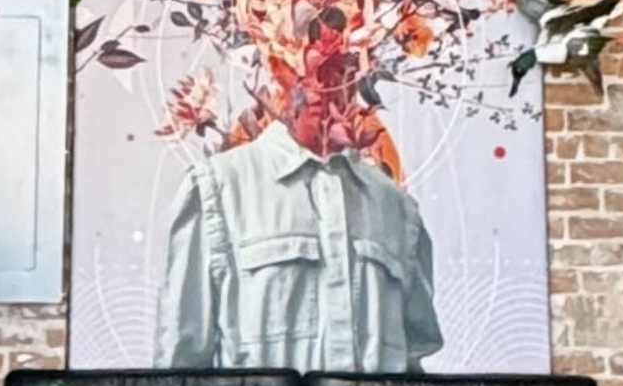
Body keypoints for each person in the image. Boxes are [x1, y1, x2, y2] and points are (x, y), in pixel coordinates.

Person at [153, 118, 443, 371]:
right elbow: (181, 358)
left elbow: (412, 362)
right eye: (307, 56)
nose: (323, 82)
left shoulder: (394, 204)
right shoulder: (219, 184)